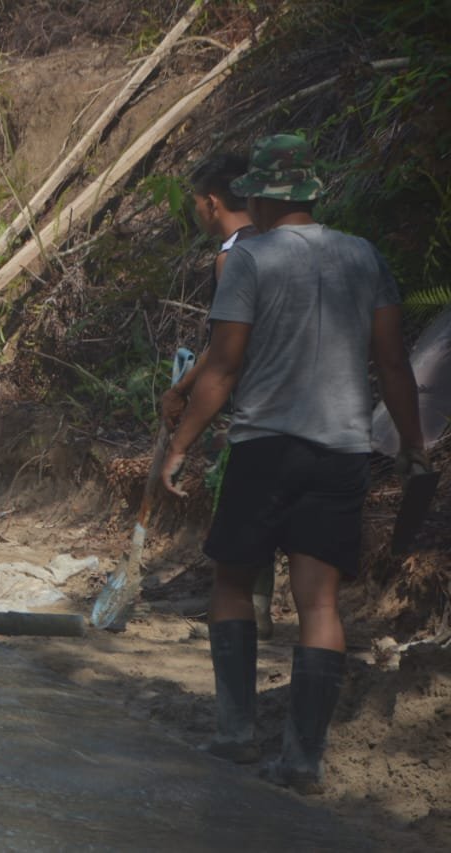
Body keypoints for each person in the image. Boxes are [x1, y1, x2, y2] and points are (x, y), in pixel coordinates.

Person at [160, 134, 427, 793]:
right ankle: (303, 760)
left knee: (231, 580)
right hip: (341, 448)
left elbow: (223, 365)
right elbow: (393, 363)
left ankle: (235, 733)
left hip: (265, 445)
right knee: (320, 600)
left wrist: (180, 444)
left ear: (260, 195)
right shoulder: (363, 256)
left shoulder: (251, 260)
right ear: (310, 192)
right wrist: (415, 446)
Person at [162, 153, 278, 640]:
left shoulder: (234, 257)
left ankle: (246, 611)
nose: (194, 212)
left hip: (257, 399)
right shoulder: (276, 244)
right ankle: (260, 606)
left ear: (212, 203)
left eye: (195, 203)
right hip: (294, 397)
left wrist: (182, 393)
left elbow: (225, 349)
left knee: (249, 509)